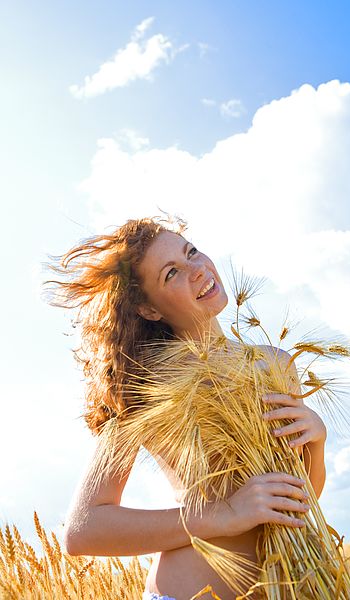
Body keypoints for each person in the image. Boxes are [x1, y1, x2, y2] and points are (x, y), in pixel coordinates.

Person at [44, 215, 327, 600]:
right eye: (172, 273)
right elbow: (82, 530)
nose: (197, 269)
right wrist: (225, 513)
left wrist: (316, 441)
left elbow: (297, 500)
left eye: (191, 251)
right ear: (148, 309)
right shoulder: (145, 386)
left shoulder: (276, 364)